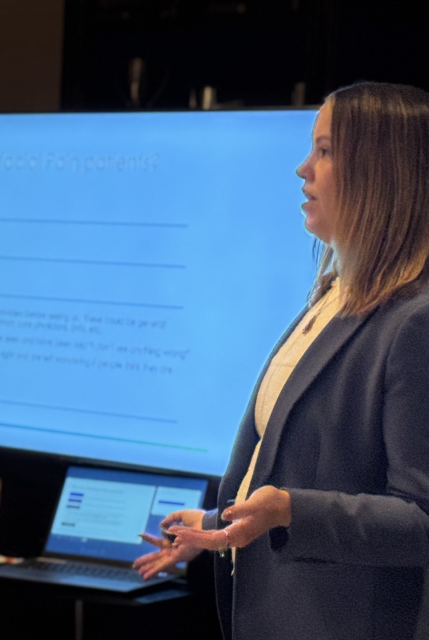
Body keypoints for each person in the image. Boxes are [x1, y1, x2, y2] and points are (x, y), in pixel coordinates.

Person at [133, 82, 429, 640]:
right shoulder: (334, 296)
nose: (302, 169)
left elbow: (421, 521)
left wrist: (293, 511)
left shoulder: (414, 321)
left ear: (379, 171)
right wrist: (221, 524)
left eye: (324, 150)